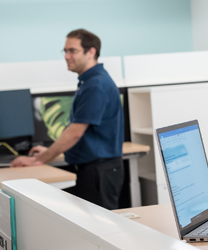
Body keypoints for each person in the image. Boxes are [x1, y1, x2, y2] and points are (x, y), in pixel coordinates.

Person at [11, 29, 124, 210]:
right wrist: (48, 151)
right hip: (96, 168)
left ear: (91, 52)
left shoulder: (95, 84)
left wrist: (40, 159)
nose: (67, 56)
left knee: (100, 229)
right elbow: (82, 134)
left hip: (99, 171)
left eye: (72, 51)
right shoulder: (89, 81)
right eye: (65, 51)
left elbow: (74, 133)